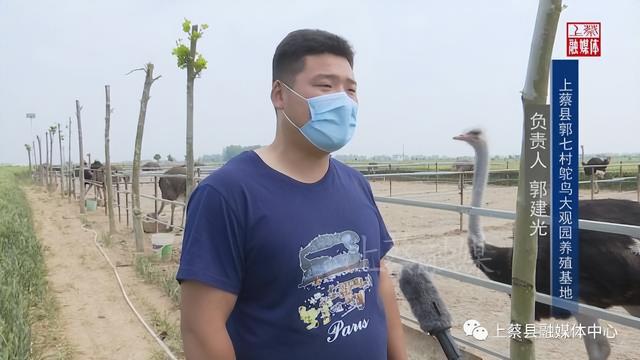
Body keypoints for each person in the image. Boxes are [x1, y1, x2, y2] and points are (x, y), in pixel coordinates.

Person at [177, 29, 407, 360]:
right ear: (279, 95)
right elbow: (201, 329)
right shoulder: (227, 194)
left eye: (351, 89)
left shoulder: (357, 185)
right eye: (326, 86)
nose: (342, 100)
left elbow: (378, 278)